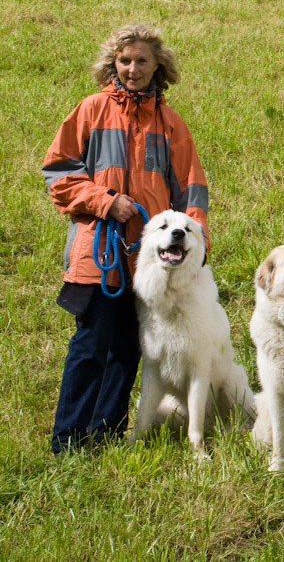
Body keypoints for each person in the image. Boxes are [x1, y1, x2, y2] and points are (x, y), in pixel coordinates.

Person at [42, 24, 210, 455]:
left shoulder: (171, 124)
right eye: (125, 61)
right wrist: (105, 201)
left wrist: (196, 244)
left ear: (159, 66)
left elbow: (191, 191)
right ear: (112, 64)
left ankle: (105, 433)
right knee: (89, 344)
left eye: (142, 61)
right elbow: (58, 174)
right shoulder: (91, 110)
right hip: (96, 252)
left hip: (150, 261)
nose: (133, 69)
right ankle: (67, 438)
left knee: (127, 347)